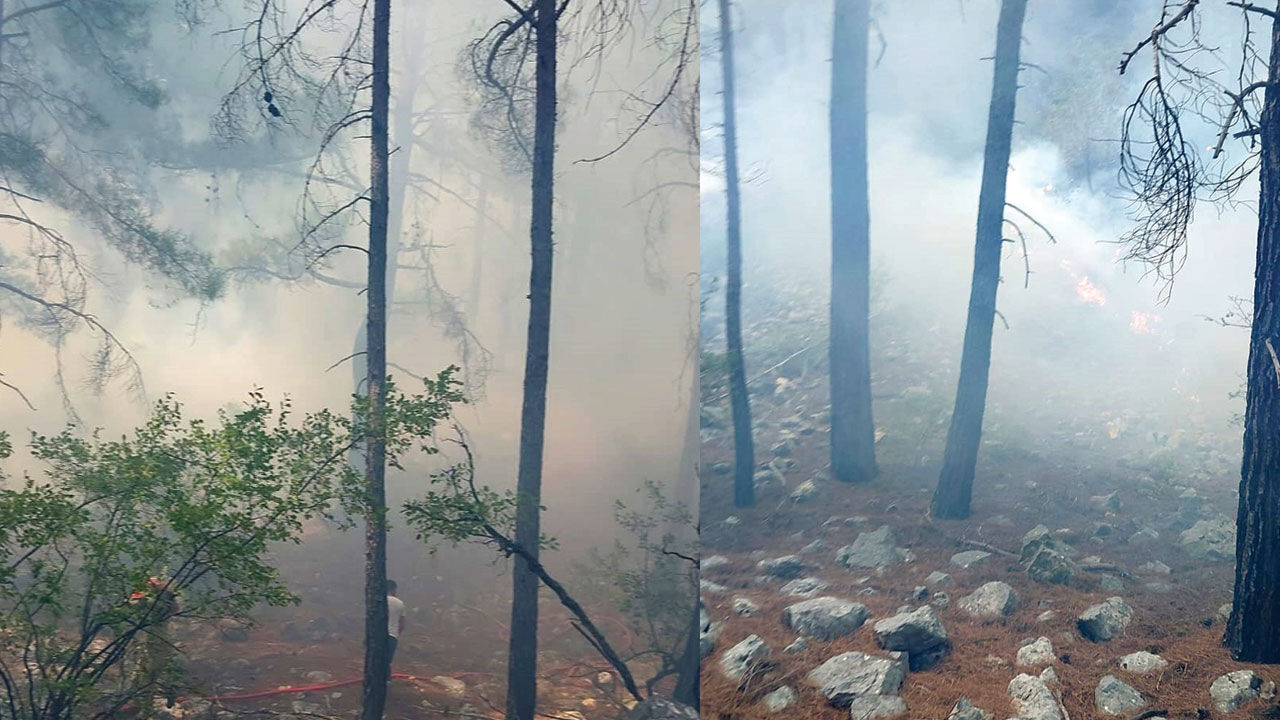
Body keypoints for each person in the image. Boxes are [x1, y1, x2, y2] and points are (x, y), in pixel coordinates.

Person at [386, 580, 405, 672]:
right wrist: (398, 634)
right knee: (387, 661)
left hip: (377, 635)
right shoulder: (400, 603)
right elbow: (402, 623)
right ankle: (386, 680)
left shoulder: (378, 601)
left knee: (377, 659)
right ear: (393, 589)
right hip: (392, 635)